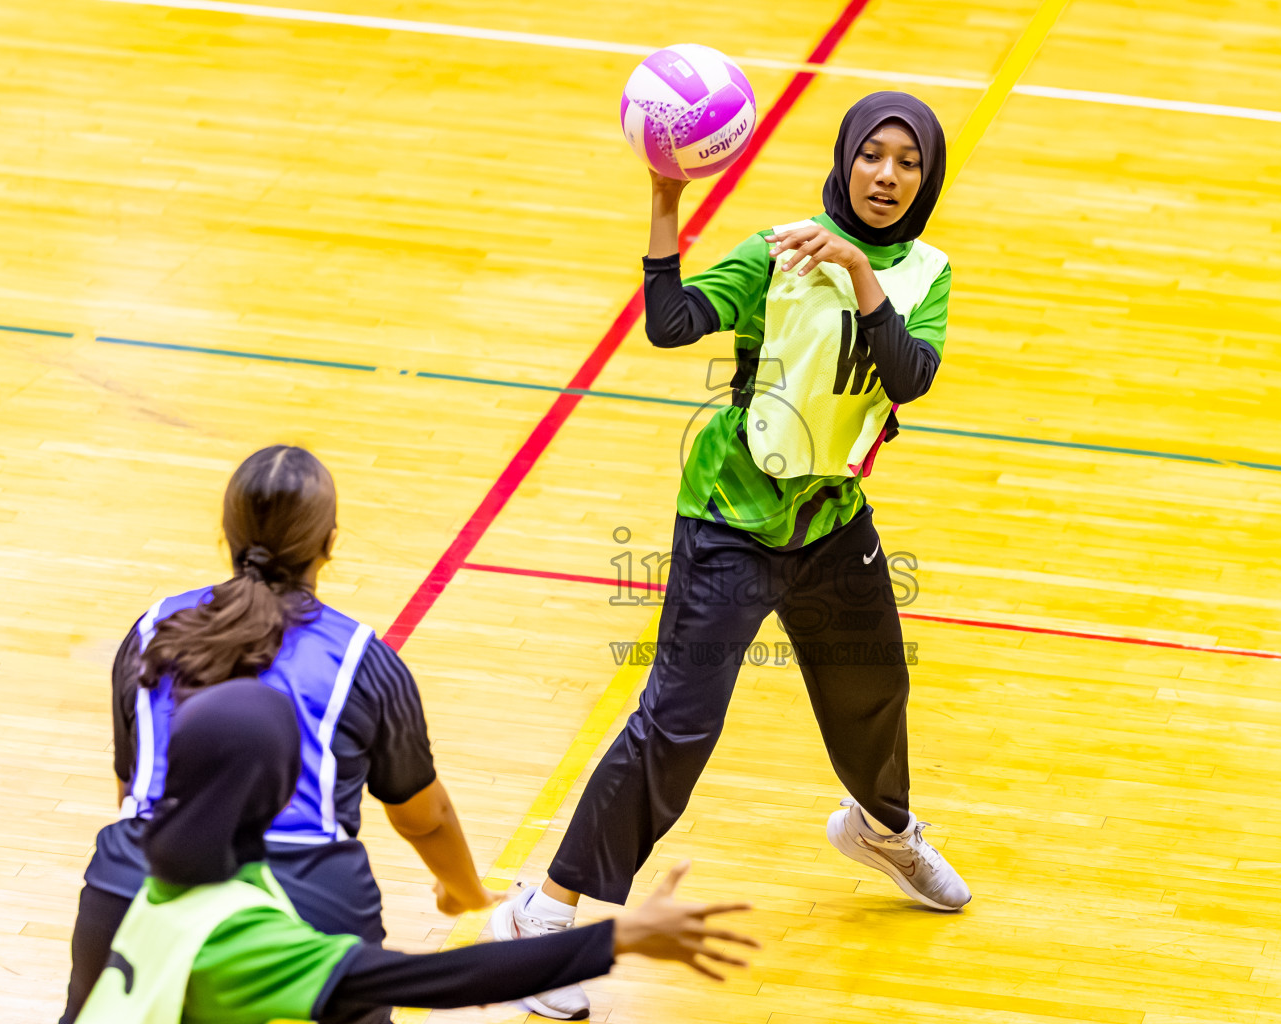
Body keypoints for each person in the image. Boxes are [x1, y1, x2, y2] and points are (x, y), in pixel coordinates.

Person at [493, 91, 972, 1020]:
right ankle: (544, 911)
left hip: (832, 517)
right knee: (678, 725)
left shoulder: (927, 274)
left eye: (906, 164)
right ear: (845, 159)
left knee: (874, 693)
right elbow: (670, 324)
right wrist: (667, 203)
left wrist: (864, 281)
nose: (886, 176)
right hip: (729, 517)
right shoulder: (779, 250)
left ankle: (882, 831)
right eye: (872, 156)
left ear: (926, 180)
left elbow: (908, 374)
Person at [62, 445, 495, 1024]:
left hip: (134, 887)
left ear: (226, 534)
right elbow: (424, 816)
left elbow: (132, 788)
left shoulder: (151, 629)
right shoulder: (361, 659)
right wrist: (465, 894)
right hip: (311, 896)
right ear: (329, 543)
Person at [75, 678, 756, 1024]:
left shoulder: (165, 878)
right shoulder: (237, 936)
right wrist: (619, 938)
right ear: (282, 792)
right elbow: (437, 982)